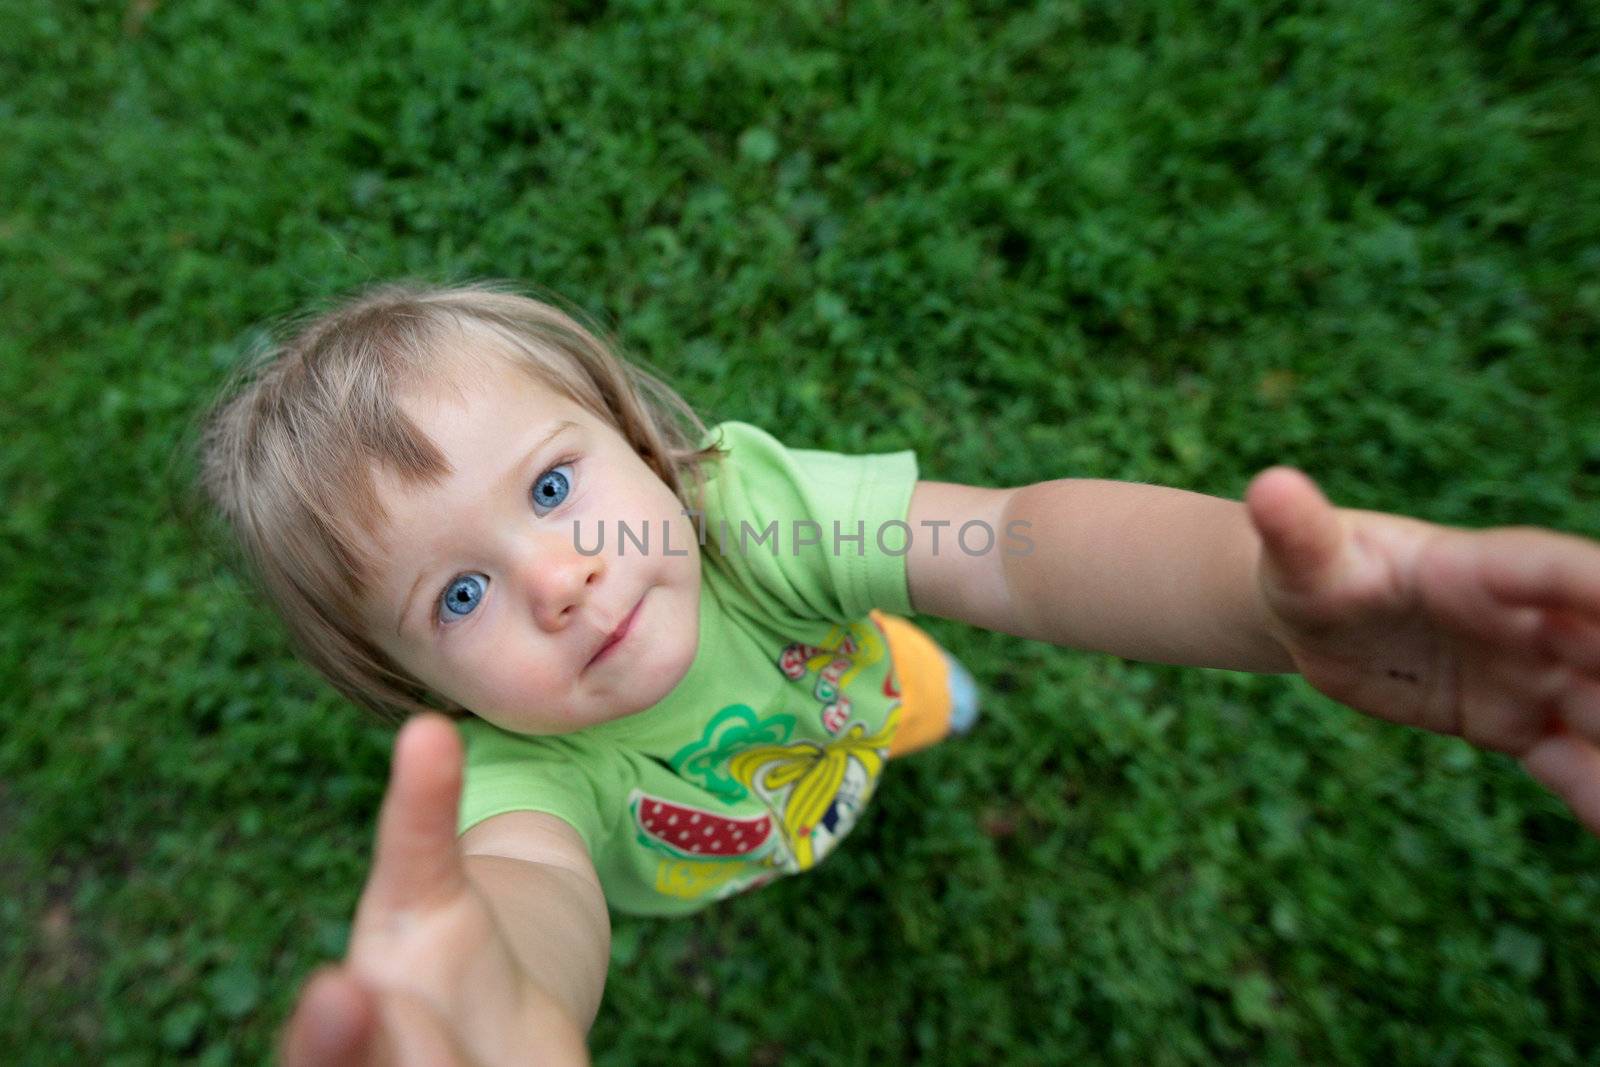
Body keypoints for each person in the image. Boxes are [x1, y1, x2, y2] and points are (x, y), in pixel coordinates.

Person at [197, 280, 1600, 1066]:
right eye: (457, 593)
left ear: (638, 437)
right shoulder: (526, 771)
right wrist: (504, 1001)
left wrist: (1267, 605)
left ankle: (925, 713)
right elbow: (533, 893)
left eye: (556, 486)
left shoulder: (745, 517)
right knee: (797, 813)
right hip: (723, 850)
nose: (558, 579)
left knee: (911, 695)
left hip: (853, 700)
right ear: (410, 685)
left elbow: (1012, 547)